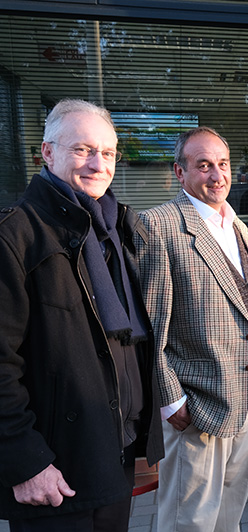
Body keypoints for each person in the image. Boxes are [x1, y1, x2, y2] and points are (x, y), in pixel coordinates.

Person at [0, 99, 163, 531]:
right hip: (55, 469)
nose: (98, 163)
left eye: (107, 153)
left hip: (114, 449)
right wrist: (25, 462)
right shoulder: (16, 235)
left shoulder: (117, 229)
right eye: (82, 149)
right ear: (47, 152)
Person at [134, 126, 248, 532]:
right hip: (195, 406)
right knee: (190, 522)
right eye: (203, 165)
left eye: (222, 164)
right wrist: (171, 400)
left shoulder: (233, 222)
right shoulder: (158, 226)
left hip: (243, 399)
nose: (217, 175)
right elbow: (151, 327)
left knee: (229, 514)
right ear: (179, 173)